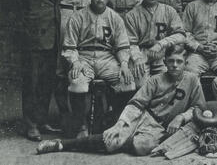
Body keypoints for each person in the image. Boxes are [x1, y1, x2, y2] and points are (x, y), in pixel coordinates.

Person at [36, 44, 206, 156]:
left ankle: (123, 140)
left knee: (142, 147)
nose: (175, 65)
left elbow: (199, 106)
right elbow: (136, 104)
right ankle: (62, 144)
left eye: (179, 61)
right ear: (165, 62)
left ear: (185, 62)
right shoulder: (156, 79)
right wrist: (120, 125)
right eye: (171, 61)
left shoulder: (192, 80)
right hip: (144, 117)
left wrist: (181, 117)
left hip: (162, 126)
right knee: (112, 141)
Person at [62, 0, 135, 138]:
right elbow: (69, 45)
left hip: (107, 58)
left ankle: (116, 123)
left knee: (127, 82)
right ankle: (81, 125)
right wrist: (75, 61)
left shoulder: (115, 17)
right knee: (77, 82)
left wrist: (123, 63)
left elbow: (122, 45)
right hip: (84, 58)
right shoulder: (78, 16)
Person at [13, 0, 62, 141]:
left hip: (53, 36)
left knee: (46, 81)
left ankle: (42, 120)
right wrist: (26, 34)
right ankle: (30, 124)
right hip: (33, 39)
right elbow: (15, 9)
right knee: (31, 82)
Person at [53, 0, 95, 121]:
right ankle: (64, 115)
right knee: (63, 67)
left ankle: (82, 117)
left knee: (83, 63)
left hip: (85, 18)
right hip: (66, 14)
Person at [124, 0, 186, 88]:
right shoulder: (132, 15)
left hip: (163, 53)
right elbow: (130, 43)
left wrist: (161, 43)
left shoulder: (169, 11)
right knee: (141, 85)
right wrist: (137, 59)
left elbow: (181, 35)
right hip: (141, 53)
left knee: (167, 84)